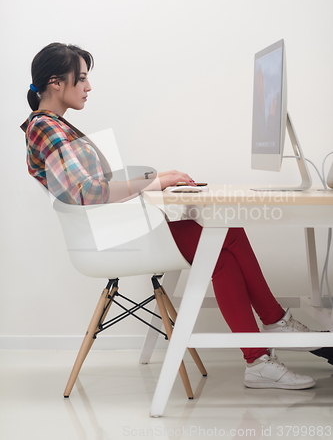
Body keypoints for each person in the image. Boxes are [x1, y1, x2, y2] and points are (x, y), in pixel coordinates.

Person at [21, 43, 324, 390]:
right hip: (109, 238)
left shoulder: (54, 125)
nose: (88, 87)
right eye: (83, 79)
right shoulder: (45, 127)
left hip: (117, 227)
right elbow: (86, 193)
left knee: (226, 234)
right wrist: (155, 181)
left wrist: (155, 182)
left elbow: (91, 187)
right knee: (221, 242)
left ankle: (267, 339)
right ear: (56, 82)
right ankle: (267, 340)